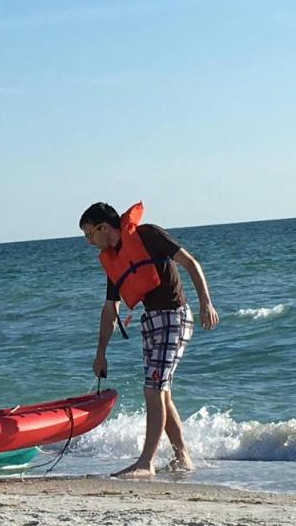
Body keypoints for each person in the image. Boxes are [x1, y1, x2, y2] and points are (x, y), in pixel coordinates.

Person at [80, 201, 219, 478]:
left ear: (103, 227)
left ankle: (147, 462)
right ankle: (183, 457)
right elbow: (110, 309)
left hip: (174, 317)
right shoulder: (115, 259)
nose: (90, 242)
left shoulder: (148, 235)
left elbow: (191, 263)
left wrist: (206, 303)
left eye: (89, 235)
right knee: (161, 392)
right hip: (152, 321)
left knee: (153, 389)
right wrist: (100, 353)